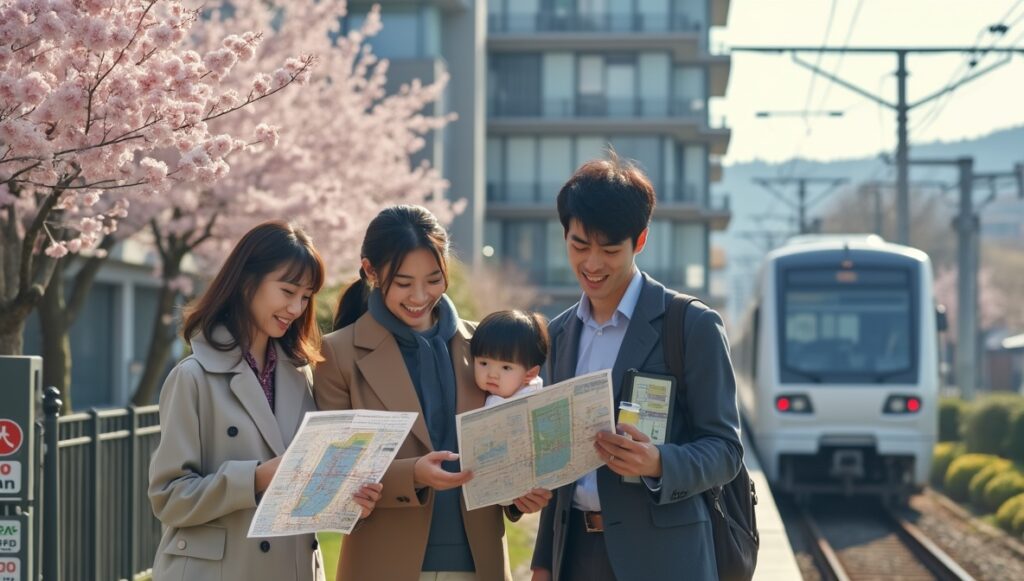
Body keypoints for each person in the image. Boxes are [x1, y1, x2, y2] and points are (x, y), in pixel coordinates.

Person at [530, 154, 744, 581]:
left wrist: (658, 463)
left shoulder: (691, 325)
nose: (592, 265)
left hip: (666, 560)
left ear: (640, 241)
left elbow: (726, 450)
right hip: (573, 557)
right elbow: (557, 464)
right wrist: (542, 562)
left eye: (610, 250)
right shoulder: (558, 336)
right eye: (578, 246)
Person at [314, 205, 552, 581]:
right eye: (404, 282)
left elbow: (512, 442)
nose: (420, 296)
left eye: (434, 279)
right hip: (382, 564)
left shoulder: (484, 347)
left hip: (480, 564)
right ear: (371, 271)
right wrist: (413, 476)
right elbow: (331, 475)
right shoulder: (337, 353)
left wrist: (520, 495)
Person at [148, 222, 382, 581]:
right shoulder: (192, 377)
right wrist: (254, 478)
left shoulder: (301, 375)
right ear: (246, 282)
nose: (296, 307)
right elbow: (169, 498)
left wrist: (348, 498)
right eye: (287, 290)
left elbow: (306, 483)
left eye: (305, 296)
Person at [470, 310, 549, 408]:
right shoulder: (476, 394)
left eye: (506, 367)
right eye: (484, 363)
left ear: (530, 374)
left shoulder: (534, 403)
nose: (492, 374)